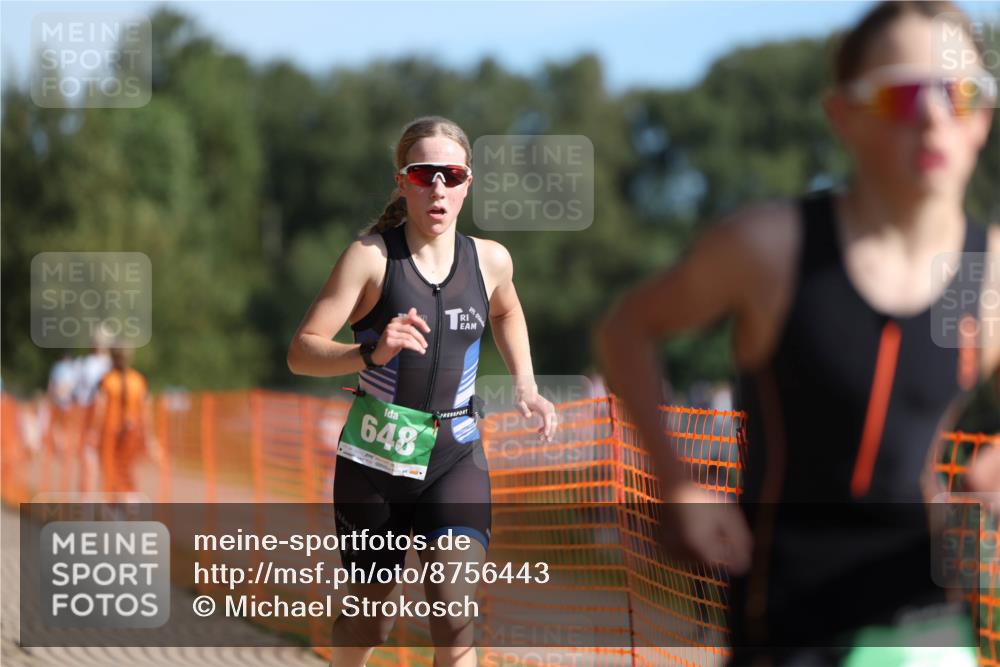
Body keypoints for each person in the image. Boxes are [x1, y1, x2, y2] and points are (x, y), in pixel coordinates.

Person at [598, 2, 999, 665]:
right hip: (789, 616)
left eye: (959, 94)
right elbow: (628, 329)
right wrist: (677, 483)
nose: (933, 117)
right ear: (844, 115)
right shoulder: (773, 249)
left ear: (982, 118)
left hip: (921, 609)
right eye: (903, 94)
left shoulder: (981, 277)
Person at [287, 115, 557, 667]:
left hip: (455, 451)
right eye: (423, 173)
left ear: (467, 184)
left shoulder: (490, 260)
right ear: (402, 181)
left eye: (450, 174)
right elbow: (301, 351)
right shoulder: (371, 258)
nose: (437, 186)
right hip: (376, 459)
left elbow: (507, 309)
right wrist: (369, 352)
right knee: (371, 619)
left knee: (454, 614)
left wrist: (526, 384)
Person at [83, 346, 157, 496]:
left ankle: (120, 505)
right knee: (125, 470)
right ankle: (128, 502)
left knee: (111, 470)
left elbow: (100, 408)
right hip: (130, 431)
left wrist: (93, 431)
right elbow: (146, 410)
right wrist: (149, 436)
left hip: (111, 432)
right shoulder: (138, 380)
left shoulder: (107, 380)